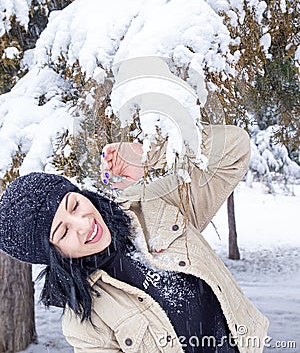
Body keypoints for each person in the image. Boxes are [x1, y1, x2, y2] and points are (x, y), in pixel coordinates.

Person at [0, 124, 269, 353]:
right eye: (64, 231)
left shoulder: (153, 207)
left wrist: (152, 157)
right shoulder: (85, 324)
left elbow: (234, 148)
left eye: (74, 205)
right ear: (53, 254)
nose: (84, 224)